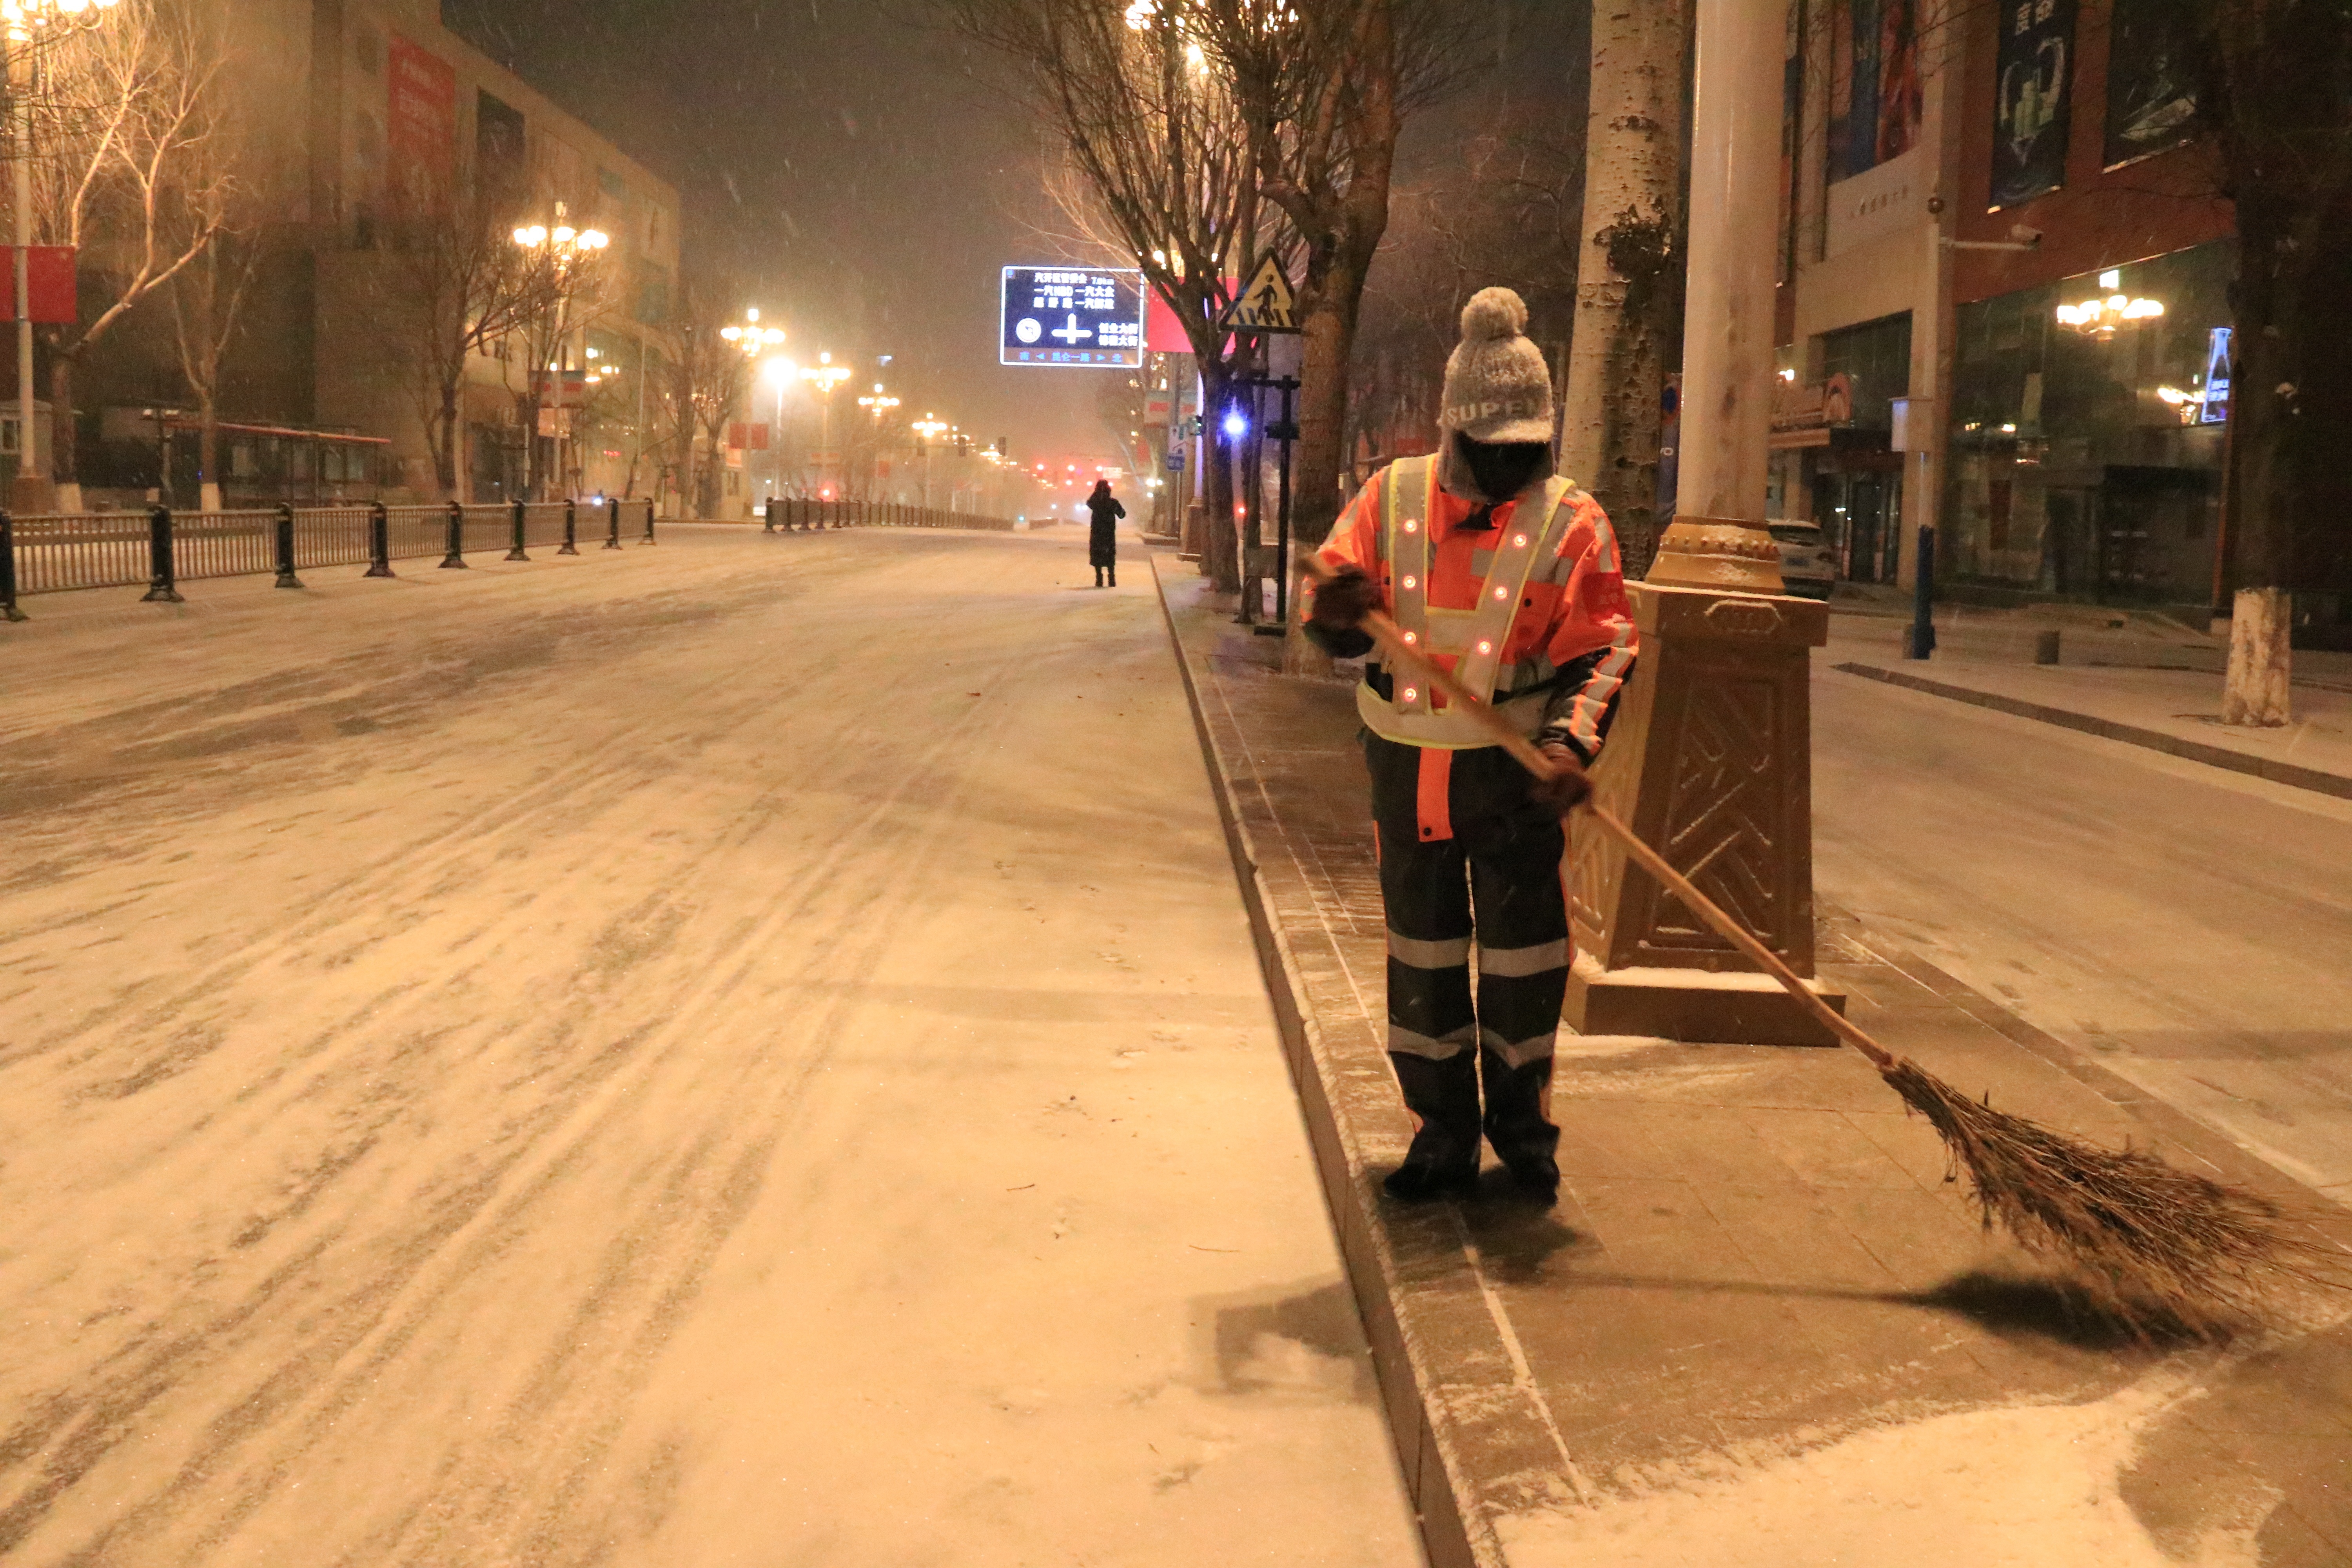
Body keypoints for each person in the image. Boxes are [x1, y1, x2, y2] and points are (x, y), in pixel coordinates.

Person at [1302, 286, 1639, 1206]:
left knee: (1527, 962)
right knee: (1423, 959)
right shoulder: (1391, 498)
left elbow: (1606, 643)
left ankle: (1524, 1135)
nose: (1510, 467)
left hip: (1514, 779)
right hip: (1406, 773)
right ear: (1456, 431)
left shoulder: (1574, 522)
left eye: (1528, 448)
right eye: (1493, 451)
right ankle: (1440, 1135)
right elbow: (1335, 603)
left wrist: (1571, 746)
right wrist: (1334, 616)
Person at [1086, 479, 1125, 587]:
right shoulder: (1113, 503)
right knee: (1109, 554)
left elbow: (1089, 503)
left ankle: (1099, 579)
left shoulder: (1095, 503)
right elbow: (1122, 515)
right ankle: (1112, 578)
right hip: (1109, 533)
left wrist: (1098, 493)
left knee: (1097, 554)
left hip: (1097, 533)